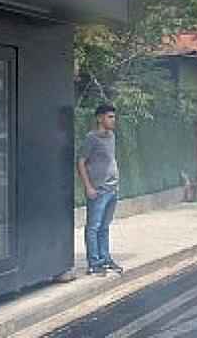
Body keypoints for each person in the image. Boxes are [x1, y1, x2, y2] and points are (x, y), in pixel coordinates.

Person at [77, 104, 123, 276]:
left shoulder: (112, 136)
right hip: (98, 190)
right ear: (99, 118)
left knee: (105, 226)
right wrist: (88, 186)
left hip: (112, 189)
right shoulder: (91, 138)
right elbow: (81, 161)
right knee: (93, 226)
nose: (113, 120)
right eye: (110, 117)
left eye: (114, 117)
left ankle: (105, 259)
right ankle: (94, 263)